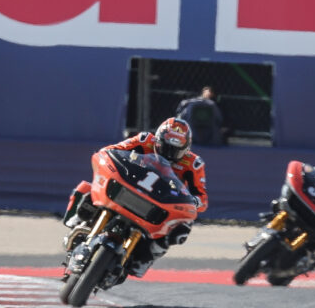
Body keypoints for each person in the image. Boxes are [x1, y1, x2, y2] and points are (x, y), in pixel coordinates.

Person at [62, 117, 209, 277]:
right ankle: (77, 221)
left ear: (186, 149)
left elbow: (202, 198)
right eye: (165, 147)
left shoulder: (193, 164)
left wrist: (194, 201)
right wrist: (108, 160)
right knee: (88, 188)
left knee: (183, 227)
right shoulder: (144, 140)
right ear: (157, 139)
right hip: (130, 186)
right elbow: (111, 151)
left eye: (176, 151)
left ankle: (146, 258)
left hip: (160, 201)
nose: (169, 155)